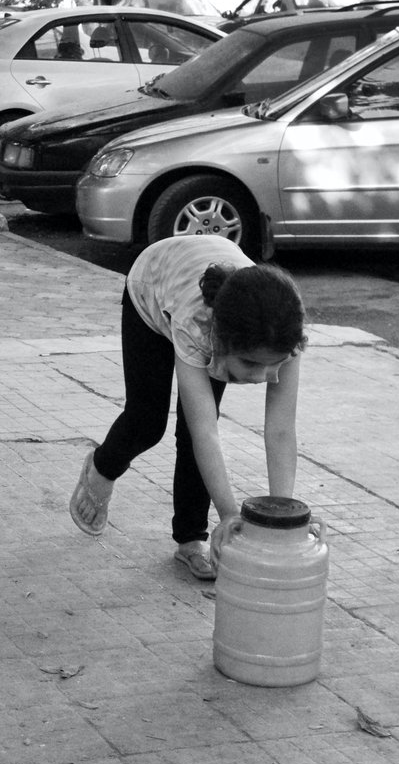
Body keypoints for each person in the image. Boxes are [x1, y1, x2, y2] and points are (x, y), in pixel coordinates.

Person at [69, 235, 306, 580]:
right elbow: (204, 431)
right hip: (152, 285)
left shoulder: (285, 330)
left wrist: (279, 520)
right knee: (148, 421)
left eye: (276, 363)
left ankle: (191, 539)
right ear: (221, 344)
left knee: (189, 433)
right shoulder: (198, 327)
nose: (264, 376)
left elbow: (281, 431)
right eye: (252, 364)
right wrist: (230, 516)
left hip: (221, 302)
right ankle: (101, 468)